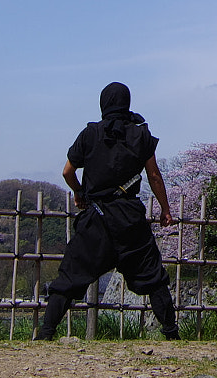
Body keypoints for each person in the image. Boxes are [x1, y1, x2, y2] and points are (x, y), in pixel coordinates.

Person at [34, 82, 180, 341]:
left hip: (97, 218)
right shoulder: (140, 135)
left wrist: (80, 193)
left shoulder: (89, 134)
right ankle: (172, 335)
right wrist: (165, 210)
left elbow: (67, 171)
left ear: (103, 104)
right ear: (127, 103)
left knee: (69, 276)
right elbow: (154, 175)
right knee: (154, 277)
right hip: (130, 219)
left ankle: (46, 334)